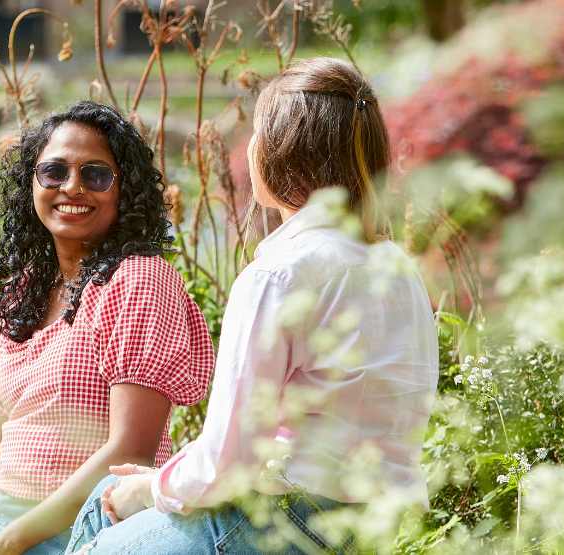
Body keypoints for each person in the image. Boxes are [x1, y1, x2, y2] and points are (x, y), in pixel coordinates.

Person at [64, 57, 439, 554]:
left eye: (258, 131)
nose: (251, 145)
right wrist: (161, 482)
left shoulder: (279, 274)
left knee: (102, 529)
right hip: (380, 516)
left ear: (285, 154)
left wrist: (154, 489)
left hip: (294, 521)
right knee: (104, 499)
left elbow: (229, 461)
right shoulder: (396, 266)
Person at [0, 101, 217, 555]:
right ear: (32, 182)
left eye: (96, 175)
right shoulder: (19, 294)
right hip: (6, 527)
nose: (72, 187)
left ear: (124, 190)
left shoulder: (138, 281)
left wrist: (6, 545)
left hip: (99, 529)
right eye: (54, 172)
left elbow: (130, 451)